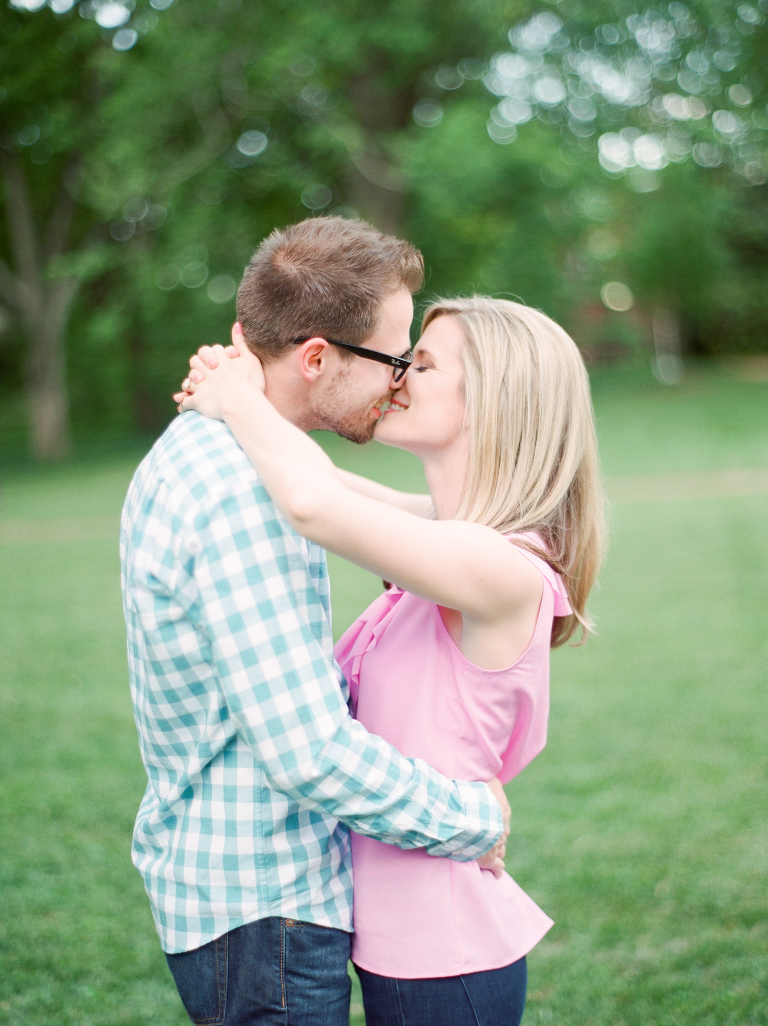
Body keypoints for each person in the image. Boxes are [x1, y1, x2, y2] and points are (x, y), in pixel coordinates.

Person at [120, 217, 510, 1026]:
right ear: (318, 358)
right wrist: (471, 817)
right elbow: (308, 752)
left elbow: (411, 521)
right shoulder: (242, 495)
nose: (400, 380)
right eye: (394, 357)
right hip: (265, 910)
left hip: (248, 901)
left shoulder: (242, 455)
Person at [177, 293, 605, 1026]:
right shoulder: (448, 535)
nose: (398, 375)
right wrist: (244, 390)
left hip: (446, 954)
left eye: (426, 363)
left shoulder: (499, 566)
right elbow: (316, 481)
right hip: (404, 940)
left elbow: (312, 503)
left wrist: (237, 400)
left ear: (495, 401)